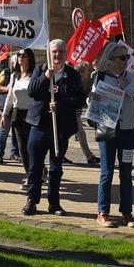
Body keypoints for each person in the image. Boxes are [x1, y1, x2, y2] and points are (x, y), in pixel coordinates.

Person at [21, 42, 82, 215]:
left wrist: (60, 105)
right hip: (39, 125)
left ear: (66, 53)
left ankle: (54, 203)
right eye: (54, 52)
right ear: (49, 53)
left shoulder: (72, 75)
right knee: (35, 167)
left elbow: (78, 99)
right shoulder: (40, 70)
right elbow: (32, 91)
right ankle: (32, 200)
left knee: (56, 168)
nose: (58, 55)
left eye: (61, 51)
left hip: (60, 128)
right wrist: (45, 77)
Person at [92, 42, 134, 228]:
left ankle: (127, 212)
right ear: (110, 61)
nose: (126, 61)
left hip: (127, 129)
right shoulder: (100, 76)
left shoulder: (131, 76)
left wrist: (122, 80)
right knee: (107, 172)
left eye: (127, 57)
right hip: (107, 130)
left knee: (126, 173)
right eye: (122, 58)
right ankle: (102, 212)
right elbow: (95, 100)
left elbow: (133, 92)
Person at [2, 49, 34, 191]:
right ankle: (31, 175)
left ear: (29, 58)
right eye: (19, 55)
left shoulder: (34, 75)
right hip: (17, 114)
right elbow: (9, 97)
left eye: (24, 55)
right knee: (22, 149)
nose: (20, 57)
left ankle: (35, 174)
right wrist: (4, 114)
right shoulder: (15, 76)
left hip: (31, 114)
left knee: (31, 148)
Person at [0, 55, 20, 164]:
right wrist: (6, 88)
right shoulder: (5, 72)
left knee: (16, 132)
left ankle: (15, 153)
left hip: (17, 108)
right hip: (4, 106)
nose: (16, 63)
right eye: (14, 61)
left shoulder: (22, 74)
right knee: (2, 132)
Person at [74, 62, 99, 166]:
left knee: (79, 134)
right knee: (81, 134)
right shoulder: (76, 81)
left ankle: (89, 156)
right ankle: (89, 157)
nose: (88, 73)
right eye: (87, 70)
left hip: (75, 112)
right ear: (81, 72)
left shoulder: (80, 81)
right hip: (72, 112)